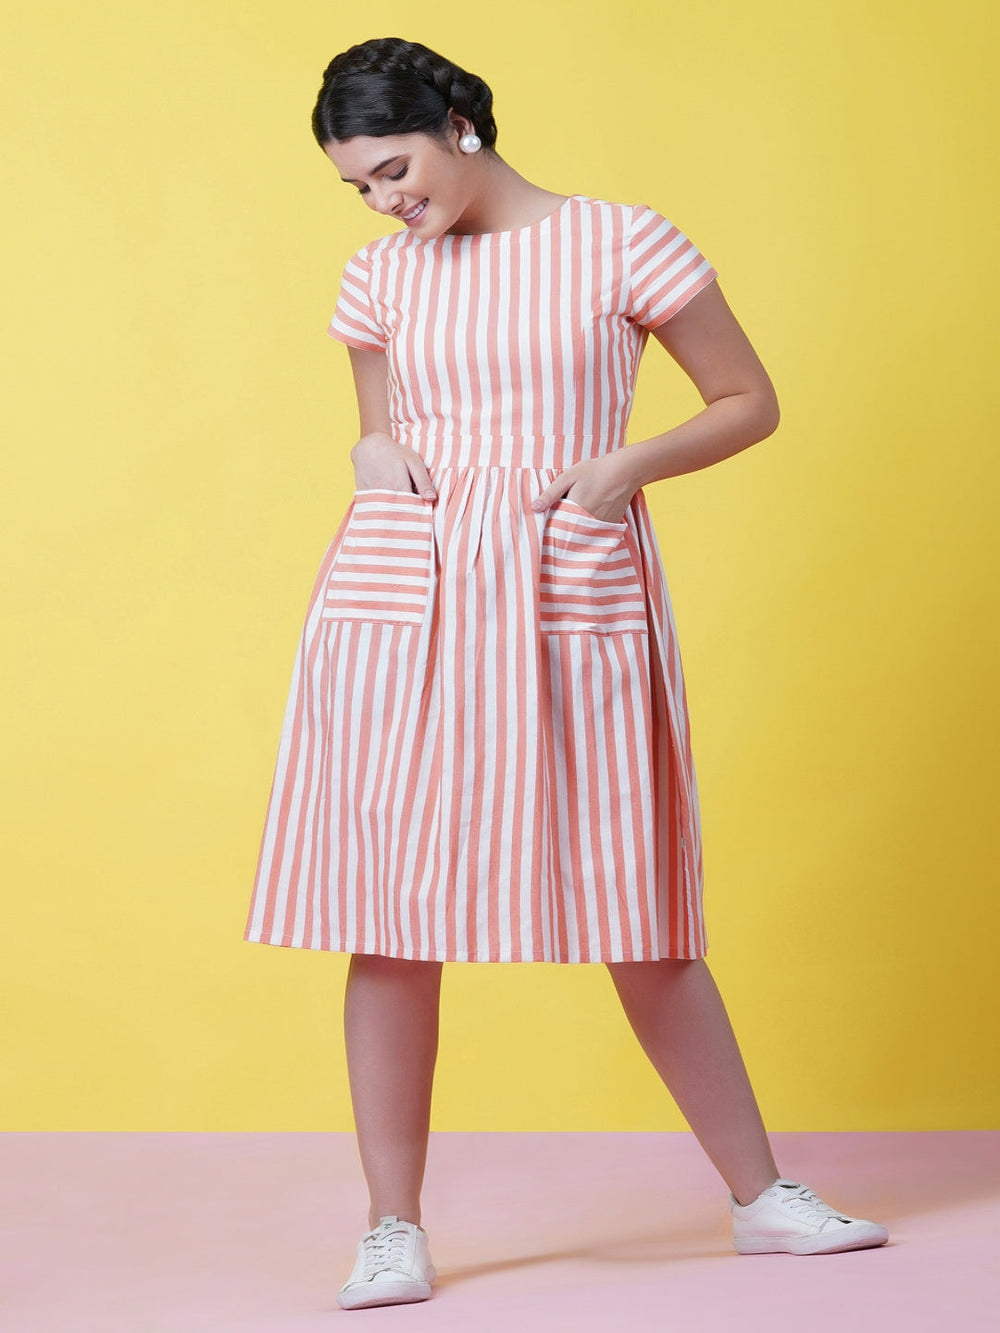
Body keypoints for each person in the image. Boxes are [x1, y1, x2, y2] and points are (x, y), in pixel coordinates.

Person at [243, 36, 889, 1311]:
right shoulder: (379, 275)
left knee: (635, 896)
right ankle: (392, 1226)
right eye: (358, 187)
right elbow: (377, 426)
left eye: (394, 169)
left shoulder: (621, 242)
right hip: (402, 600)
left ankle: (761, 1198)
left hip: (562, 578)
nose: (384, 203)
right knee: (389, 913)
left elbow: (745, 398)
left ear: (460, 121)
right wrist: (373, 462)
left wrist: (616, 472)